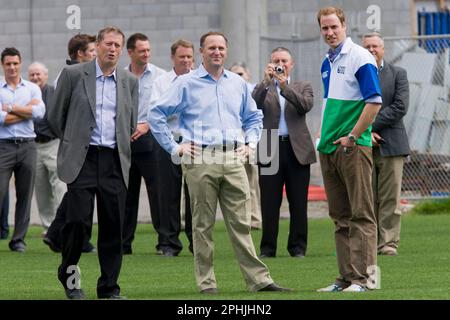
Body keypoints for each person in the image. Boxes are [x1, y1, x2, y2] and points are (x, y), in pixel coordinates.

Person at [148, 31, 290, 293]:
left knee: (241, 223)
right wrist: (174, 146)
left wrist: (250, 145)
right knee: (202, 225)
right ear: (202, 52)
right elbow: (156, 114)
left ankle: (259, 280)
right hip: (201, 158)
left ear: (226, 51)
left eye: (221, 47)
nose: (216, 52)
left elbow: (253, 117)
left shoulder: (236, 83)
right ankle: (207, 283)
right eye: (211, 47)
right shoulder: (186, 83)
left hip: (234, 157)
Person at [47, 26, 138, 300]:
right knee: (77, 223)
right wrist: (73, 142)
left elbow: (129, 123)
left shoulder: (129, 81)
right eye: (108, 44)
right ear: (97, 46)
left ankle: (108, 288)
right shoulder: (74, 75)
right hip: (82, 160)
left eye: (118, 45)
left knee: (113, 227)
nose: (113, 49)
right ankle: (70, 277)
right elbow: (55, 117)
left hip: (113, 161)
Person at [316, 7, 382, 292]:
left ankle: (367, 281)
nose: (330, 32)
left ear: (344, 25)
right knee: (340, 218)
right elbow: (332, 105)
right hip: (329, 148)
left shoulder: (360, 57)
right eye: (324, 28)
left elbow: (374, 102)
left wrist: (354, 136)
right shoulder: (326, 62)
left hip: (353, 148)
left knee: (362, 215)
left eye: (334, 27)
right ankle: (346, 279)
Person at [252, 47, 316, 258]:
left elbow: (305, 105)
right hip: (270, 145)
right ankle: (268, 248)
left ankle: (298, 247)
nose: (281, 64)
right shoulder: (263, 87)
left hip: (296, 147)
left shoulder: (302, 86)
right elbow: (253, 105)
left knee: (299, 201)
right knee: (269, 202)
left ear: (292, 64)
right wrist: (266, 82)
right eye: (276, 61)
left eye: (284, 61)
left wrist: (283, 86)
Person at [122, 33, 178, 256]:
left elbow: (169, 110)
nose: (146, 54)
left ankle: (165, 243)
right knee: (127, 194)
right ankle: (124, 244)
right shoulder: (120, 76)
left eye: (148, 50)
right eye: (141, 50)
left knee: (159, 194)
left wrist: (147, 125)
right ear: (131, 53)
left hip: (152, 140)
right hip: (125, 141)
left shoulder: (160, 77)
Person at [43, 33, 97, 254]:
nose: (95, 55)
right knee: (79, 195)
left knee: (78, 194)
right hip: (75, 148)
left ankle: (56, 234)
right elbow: (57, 116)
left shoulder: (94, 76)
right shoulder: (66, 77)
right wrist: (70, 139)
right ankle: (73, 238)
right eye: (92, 51)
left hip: (89, 147)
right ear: (80, 54)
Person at [362, 32, 410, 256]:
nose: (371, 50)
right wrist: (363, 131)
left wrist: (369, 126)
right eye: (367, 46)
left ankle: (388, 243)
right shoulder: (357, 75)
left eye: (375, 46)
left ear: (383, 49)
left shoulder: (398, 74)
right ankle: (370, 242)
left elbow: (400, 107)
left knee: (389, 197)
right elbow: (351, 106)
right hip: (362, 143)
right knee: (366, 197)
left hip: (391, 144)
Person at [149, 39, 196, 254]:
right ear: (172, 58)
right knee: (167, 193)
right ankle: (168, 242)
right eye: (181, 57)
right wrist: (180, 107)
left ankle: (197, 241)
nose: (186, 61)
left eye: (189, 57)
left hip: (195, 142)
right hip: (169, 142)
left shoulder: (200, 80)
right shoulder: (161, 82)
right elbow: (156, 113)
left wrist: (173, 107)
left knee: (196, 193)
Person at [0, 47, 45, 252]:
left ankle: (18, 239)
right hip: (4, 146)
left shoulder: (32, 88)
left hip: (28, 145)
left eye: (15, 63)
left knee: (25, 194)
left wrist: (9, 108)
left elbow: (40, 112)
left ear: (20, 64)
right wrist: (26, 110)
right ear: (3, 65)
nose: (12, 67)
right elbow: (1, 120)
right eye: (8, 63)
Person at [28, 62, 66, 235]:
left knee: (59, 185)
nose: (36, 78)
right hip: (34, 146)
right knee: (41, 189)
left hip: (53, 144)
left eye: (39, 74)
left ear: (46, 75)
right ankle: (48, 227)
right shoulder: (27, 93)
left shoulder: (54, 92)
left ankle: (61, 224)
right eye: (32, 75)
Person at [229, 62, 262, 231]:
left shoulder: (255, 91)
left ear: (247, 75)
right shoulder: (227, 91)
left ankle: (255, 219)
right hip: (231, 143)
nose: (238, 77)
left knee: (251, 182)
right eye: (234, 74)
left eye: (240, 74)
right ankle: (238, 220)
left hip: (248, 143)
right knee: (234, 186)